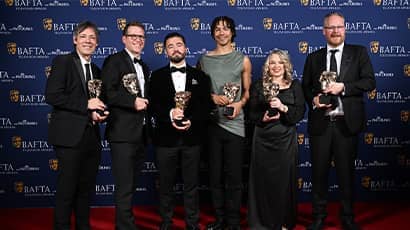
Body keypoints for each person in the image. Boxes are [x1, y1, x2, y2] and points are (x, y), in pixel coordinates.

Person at [302, 12, 376, 230]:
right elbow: (306, 87)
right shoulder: (314, 57)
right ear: (323, 31)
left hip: (346, 124)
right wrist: (314, 100)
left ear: (345, 29)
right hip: (321, 124)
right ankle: (318, 217)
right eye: (330, 28)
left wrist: (344, 87)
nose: (335, 31)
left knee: (346, 175)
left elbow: (370, 82)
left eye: (339, 27)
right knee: (319, 173)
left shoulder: (359, 52)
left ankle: (347, 217)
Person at [45, 21, 108, 230]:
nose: (88, 41)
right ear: (74, 40)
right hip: (68, 137)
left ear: (97, 43)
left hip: (91, 137)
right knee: (67, 189)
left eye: (92, 38)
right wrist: (86, 105)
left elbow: (94, 102)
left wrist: (98, 114)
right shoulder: (63, 61)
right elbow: (52, 95)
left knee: (85, 189)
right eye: (83, 37)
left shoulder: (97, 71)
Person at [149, 32, 212, 230]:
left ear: (186, 48)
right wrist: (170, 114)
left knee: (191, 185)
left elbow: (205, 106)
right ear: (165, 51)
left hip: (192, 139)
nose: (175, 48)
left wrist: (191, 121)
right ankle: (166, 222)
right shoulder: (157, 76)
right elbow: (153, 106)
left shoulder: (200, 76)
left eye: (179, 44)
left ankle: (192, 223)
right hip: (165, 140)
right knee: (165, 185)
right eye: (170, 46)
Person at [197, 16, 252, 230]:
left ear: (232, 32)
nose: (221, 33)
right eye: (217, 29)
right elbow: (199, 90)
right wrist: (211, 97)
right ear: (212, 33)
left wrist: (240, 104)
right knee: (215, 175)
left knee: (235, 176)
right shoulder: (204, 60)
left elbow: (247, 92)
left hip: (235, 124)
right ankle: (220, 219)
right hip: (212, 124)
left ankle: (234, 221)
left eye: (226, 29)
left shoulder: (243, 59)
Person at [248, 50, 305, 230]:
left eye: (280, 62)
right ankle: (261, 223)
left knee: (283, 182)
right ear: (267, 67)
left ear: (286, 65)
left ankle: (283, 222)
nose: (276, 66)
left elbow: (299, 114)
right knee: (262, 182)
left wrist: (283, 107)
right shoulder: (258, 85)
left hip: (285, 140)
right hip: (263, 139)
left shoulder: (295, 85)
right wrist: (263, 117)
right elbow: (250, 113)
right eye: (272, 63)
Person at [101, 21, 150, 230]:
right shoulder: (114, 61)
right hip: (122, 134)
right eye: (133, 36)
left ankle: (126, 224)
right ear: (124, 39)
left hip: (140, 134)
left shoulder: (144, 66)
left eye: (141, 37)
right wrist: (132, 102)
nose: (138, 40)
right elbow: (107, 93)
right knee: (124, 186)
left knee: (130, 185)